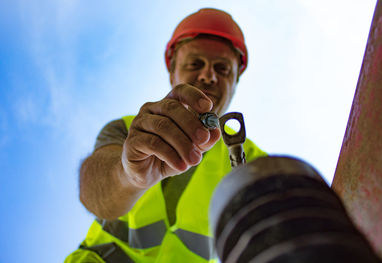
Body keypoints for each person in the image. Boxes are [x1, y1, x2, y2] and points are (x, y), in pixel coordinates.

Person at [65, 8, 266, 263]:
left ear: (235, 81)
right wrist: (127, 174)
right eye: (195, 64)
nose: (208, 75)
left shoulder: (254, 162)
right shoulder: (128, 131)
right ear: (173, 72)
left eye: (223, 69)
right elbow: (94, 196)